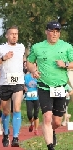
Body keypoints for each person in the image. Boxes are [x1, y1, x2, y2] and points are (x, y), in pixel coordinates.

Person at [27, 21, 73, 150]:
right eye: (52, 31)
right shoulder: (37, 47)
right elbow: (29, 63)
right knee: (47, 117)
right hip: (44, 87)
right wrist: (33, 71)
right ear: (46, 31)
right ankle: (50, 146)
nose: (54, 34)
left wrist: (65, 64)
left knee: (57, 121)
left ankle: (52, 131)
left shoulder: (67, 47)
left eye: (57, 31)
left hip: (60, 87)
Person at [0, 26, 25, 147]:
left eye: (16, 34)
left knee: (16, 108)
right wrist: (3, 58)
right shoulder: (1, 48)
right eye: (12, 34)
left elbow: (23, 61)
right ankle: (5, 134)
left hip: (18, 82)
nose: (14, 36)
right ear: (7, 35)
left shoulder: (22, 47)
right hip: (5, 83)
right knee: (5, 111)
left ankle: (15, 137)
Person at [24, 66, 40, 135]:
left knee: (36, 115)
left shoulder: (39, 76)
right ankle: (32, 123)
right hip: (29, 97)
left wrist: (39, 79)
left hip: (37, 98)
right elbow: (22, 84)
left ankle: (36, 129)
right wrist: (24, 87)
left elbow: (42, 85)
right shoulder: (26, 76)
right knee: (29, 114)